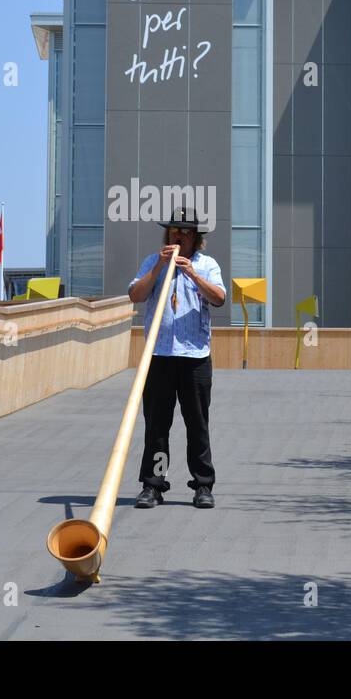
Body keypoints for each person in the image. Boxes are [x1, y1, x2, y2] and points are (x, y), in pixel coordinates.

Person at [127, 206, 226, 509]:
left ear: (196, 237)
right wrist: (159, 268)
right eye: (174, 230)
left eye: (186, 231)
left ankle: (202, 485)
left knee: (197, 423)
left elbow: (219, 298)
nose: (179, 236)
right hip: (159, 356)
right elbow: (136, 295)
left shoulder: (206, 264)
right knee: (157, 425)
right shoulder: (152, 262)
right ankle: (153, 485)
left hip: (195, 357)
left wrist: (191, 273)